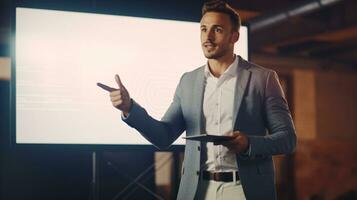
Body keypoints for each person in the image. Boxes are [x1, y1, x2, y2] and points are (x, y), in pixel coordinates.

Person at [98, 0, 296, 199]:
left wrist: (249, 144)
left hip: (244, 190)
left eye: (217, 30)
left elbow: (287, 139)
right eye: (203, 29)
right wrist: (129, 108)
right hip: (197, 190)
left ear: (234, 37)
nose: (207, 37)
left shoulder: (263, 78)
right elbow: (163, 136)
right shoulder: (188, 81)